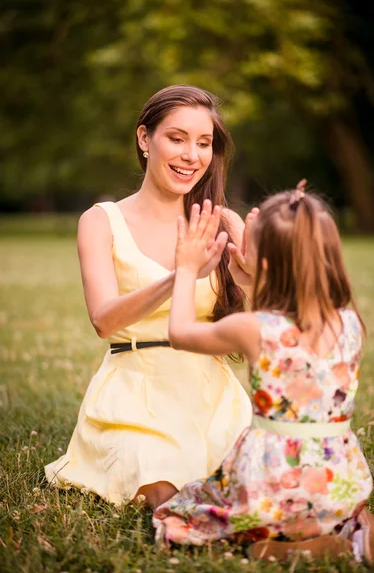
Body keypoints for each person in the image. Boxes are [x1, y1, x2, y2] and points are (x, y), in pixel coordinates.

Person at [153, 182, 374, 564]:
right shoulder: (350, 323)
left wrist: (186, 268)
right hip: (341, 480)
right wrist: (257, 275)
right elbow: (288, 316)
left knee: (180, 511)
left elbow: (180, 333)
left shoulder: (256, 328)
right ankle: (347, 525)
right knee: (330, 502)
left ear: (263, 266)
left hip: (272, 487)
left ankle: (292, 544)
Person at [45, 85, 253, 507]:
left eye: (203, 143)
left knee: (250, 488)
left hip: (211, 393)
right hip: (134, 389)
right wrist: (180, 275)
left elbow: (266, 325)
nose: (191, 156)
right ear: (145, 139)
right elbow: (103, 320)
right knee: (167, 491)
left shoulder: (224, 222)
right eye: (176, 138)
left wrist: (254, 281)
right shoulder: (102, 221)